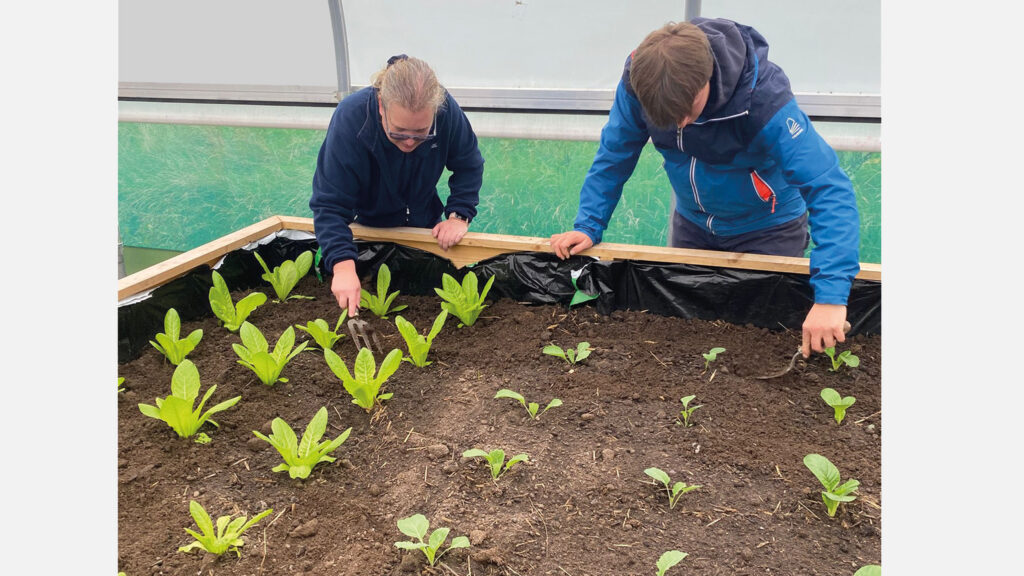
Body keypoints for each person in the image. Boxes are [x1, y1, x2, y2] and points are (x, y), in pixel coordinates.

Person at [549, 18, 861, 357]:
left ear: (706, 79)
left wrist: (831, 298)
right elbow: (615, 154)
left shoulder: (763, 99)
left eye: (687, 112)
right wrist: (589, 224)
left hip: (768, 229)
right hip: (692, 225)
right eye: (666, 118)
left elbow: (828, 187)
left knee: (761, 338)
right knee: (686, 340)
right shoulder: (640, 81)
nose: (681, 123)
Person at [311, 54, 484, 316]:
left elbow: (469, 164)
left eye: (421, 133)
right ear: (382, 105)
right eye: (398, 132)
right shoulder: (352, 118)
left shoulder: (446, 110)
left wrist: (459, 214)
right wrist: (343, 265)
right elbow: (329, 203)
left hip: (423, 229)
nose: (409, 142)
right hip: (364, 233)